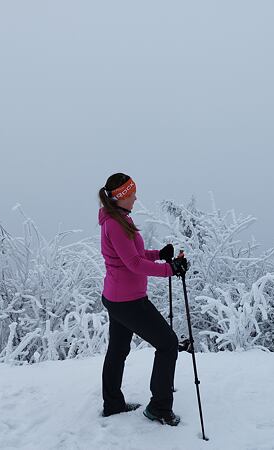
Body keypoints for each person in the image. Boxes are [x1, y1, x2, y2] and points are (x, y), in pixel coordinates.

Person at [98, 173, 187, 426]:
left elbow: (134, 254)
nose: (136, 197)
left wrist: (159, 254)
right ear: (122, 197)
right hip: (128, 301)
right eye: (132, 193)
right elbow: (134, 264)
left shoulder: (118, 219)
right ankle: (159, 408)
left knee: (117, 350)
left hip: (117, 297)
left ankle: (113, 404)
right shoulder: (115, 224)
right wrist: (172, 269)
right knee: (168, 343)